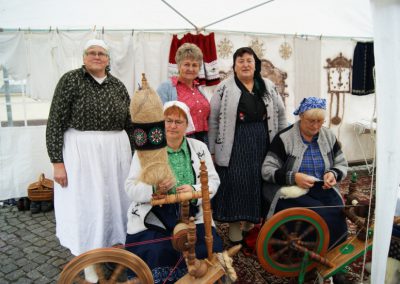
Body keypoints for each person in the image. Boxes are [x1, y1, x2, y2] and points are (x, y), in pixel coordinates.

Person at [46, 39, 135, 282]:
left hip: (116, 154)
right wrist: (57, 162)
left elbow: (129, 124)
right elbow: (55, 122)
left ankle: (114, 250)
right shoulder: (70, 81)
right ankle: (89, 261)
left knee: (116, 203)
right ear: (84, 57)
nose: (97, 57)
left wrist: (138, 156)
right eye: (92, 53)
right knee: (86, 205)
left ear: (108, 60)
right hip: (81, 156)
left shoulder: (117, 85)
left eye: (101, 54)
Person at [125, 101, 223, 283]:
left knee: (207, 247)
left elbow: (213, 180)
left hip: (191, 212)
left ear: (187, 125)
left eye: (178, 122)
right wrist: (154, 189)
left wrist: (194, 190)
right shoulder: (145, 152)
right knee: (157, 250)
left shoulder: (199, 148)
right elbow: (130, 188)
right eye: (167, 120)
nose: (172, 126)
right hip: (155, 214)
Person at [208, 47, 287, 244]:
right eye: (240, 61)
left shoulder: (268, 86)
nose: (245, 64)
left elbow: (281, 113)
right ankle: (235, 225)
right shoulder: (224, 87)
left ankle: (250, 224)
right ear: (234, 67)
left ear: (255, 64)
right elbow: (213, 120)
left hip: (262, 140)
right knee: (236, 182)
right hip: (234, 144)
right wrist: (211, 149)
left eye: (249, 60)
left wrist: (282, 144)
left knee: (257, 181)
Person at [262, 97, 348, 247]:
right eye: (311, 121)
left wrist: (333, 173)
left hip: (321, 188)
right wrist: (294, 177)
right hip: (291, 192)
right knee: (321, 215)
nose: (316, 126)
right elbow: (267, 170)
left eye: (320, 121)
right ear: (301, 116)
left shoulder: (328, 136)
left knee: (338, 211)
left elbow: (341, 163)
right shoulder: (284, 138)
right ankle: (313, 253)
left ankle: (335, 254)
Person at [157, 43, 210, 145]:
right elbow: (159, 119)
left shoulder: (199, 88)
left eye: (194, 65)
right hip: (179, 142)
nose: (190, 69)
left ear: (199, 68)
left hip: (203, 141)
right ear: (179, 66)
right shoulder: (166, 87)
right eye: (186, 64)